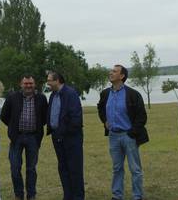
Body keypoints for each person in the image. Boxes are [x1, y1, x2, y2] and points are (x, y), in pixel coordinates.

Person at [97, 65, 149, 200]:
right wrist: (104, 121)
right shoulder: (105, 93)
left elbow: (141, 117)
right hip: (113, 136)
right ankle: (117, 196)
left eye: (114, 71)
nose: (111, 73)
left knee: (135, 169)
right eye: (111, 71)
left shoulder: (133, 94)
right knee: (117, 168)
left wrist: (132, 133)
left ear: (122, 76)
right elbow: (100, 107)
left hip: (129, 136)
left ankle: (137, 196)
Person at [0, 74, 48, 200]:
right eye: (26, 83)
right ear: (21, 84)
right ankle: (18, 194)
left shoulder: (41, 98)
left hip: (33, 138)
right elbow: (4, 116)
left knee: (31, 169)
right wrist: (13, 127)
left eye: (30, 83)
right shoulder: (12, 97)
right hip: (17, 138)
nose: (28, 86)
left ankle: (31, 195)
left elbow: (44, 118)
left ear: (34, 84)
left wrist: (35, 129)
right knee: (15, 167)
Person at [46, 71, 85, 200]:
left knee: (74, 169)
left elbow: (75, 119)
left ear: (57, 81)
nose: (48, 83)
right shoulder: (53, 95)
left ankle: (78, 197)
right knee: (63, 168)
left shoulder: (70, 94)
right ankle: (67, 196)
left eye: (49, 80)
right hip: (57, 138)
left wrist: (63, 133)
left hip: (71, 138)